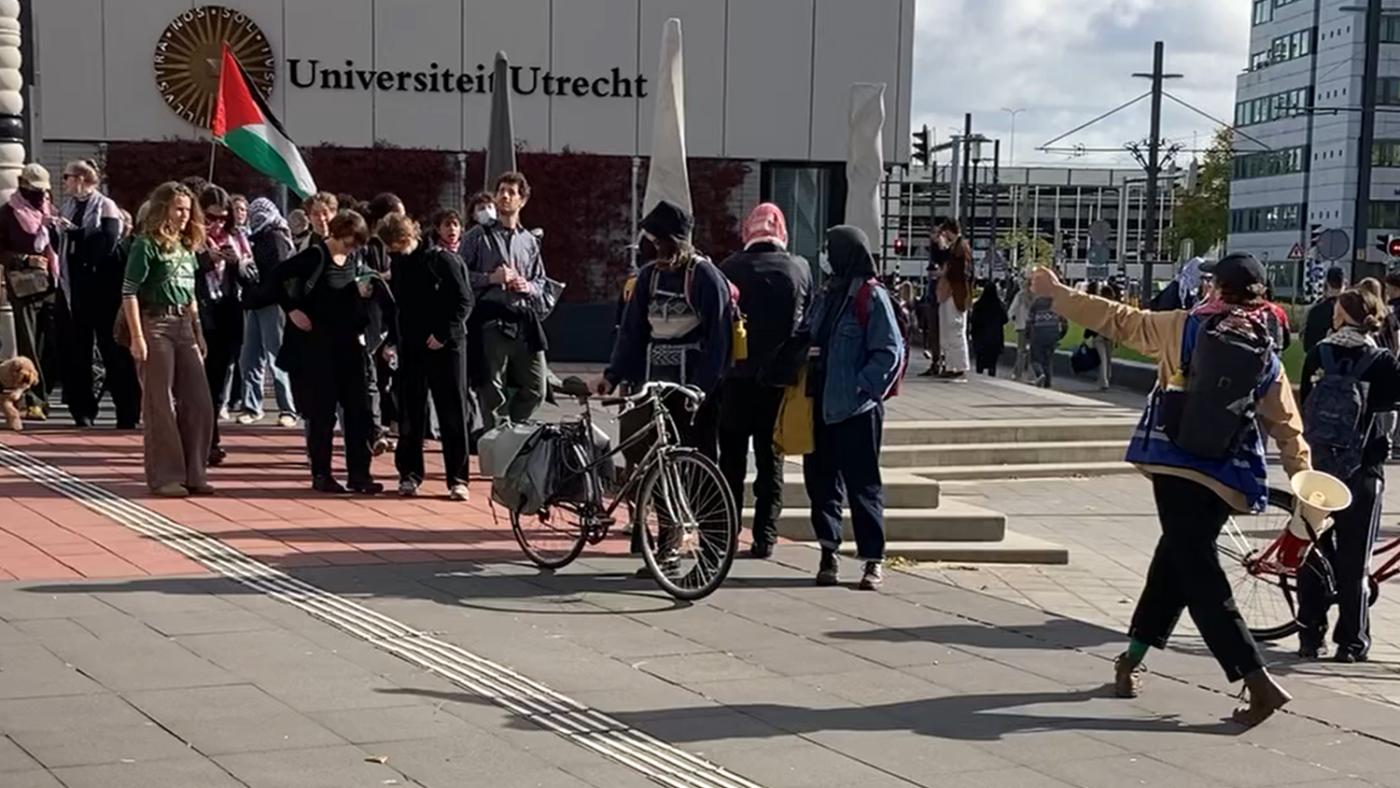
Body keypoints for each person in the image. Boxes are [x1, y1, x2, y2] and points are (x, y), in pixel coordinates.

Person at [1027, 253, 1308, 727]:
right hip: (1226, 477)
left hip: (1174, 465)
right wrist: (1305, 491)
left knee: (1198, 574)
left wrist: (1058, 293)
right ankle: (1130, 661)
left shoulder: (1182, 325)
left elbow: (1117, 319)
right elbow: (1287, 425)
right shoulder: (1266, 345)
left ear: (1215, 287)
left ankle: (1256, 681)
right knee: (1175, 562)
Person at [803, 226, 903, 590]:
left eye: (830, 249)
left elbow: (890, 351)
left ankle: (872, 560)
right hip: (820, 403)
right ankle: (828, 553)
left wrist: (864, 387)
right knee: (822, 483)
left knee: (863, 486)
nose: (825, 255)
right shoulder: (826, 294)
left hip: (857, 408)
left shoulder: (870, 296)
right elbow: (807, 333)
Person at [717, 203, 812, 559]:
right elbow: (806, 324)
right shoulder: (799, 268)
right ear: (782, 231)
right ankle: (765, 536)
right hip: (779, 383)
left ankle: (724, 531)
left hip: (736, 378)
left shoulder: (729, 268)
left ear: (748, 230)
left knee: (732, 460)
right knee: (771, 461)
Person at [274, 210, 382, 495]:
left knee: (358, 410)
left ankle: (360, 474)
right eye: (349, 242)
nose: (353, 248)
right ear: (336, 234)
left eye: (357, 244)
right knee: (322, 414)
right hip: (318, 347)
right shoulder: (314, 257)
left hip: (349, 345)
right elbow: (276, 277)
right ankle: (321, 473)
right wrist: (292, 310)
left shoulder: (354, 259)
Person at [120, 181, 215, 498]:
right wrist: (136, 336)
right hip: (155, 323)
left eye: (188, 209)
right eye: (178, 208)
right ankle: (165, 476)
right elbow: (129, 292)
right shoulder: (145, 245)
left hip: (184, 325)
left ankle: (195, 471)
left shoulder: (188, 247)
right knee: (159, 403)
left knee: (199, 402)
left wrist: (198, 331)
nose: (184, 215)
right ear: (163, 209)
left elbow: (191, 297)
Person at [379, 214, 473, 500]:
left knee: (452, 411)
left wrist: (443, 333)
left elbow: (464, 300)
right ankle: (409, 474)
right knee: (410, 411)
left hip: (447, 346)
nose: (394, 252)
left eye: (396, 245)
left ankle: (458, 478)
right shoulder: (399, 263)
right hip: (412, 345)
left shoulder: (440, 260)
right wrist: (393, 340)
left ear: (408, 238)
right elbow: (400, 309)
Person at [462, 172, 551, 428]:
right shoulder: (477, 236)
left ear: (522, 200)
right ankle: (496, 443)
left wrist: (528, 286)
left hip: (523, 320)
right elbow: (459, 276)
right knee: (491, 388)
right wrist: (490, 278)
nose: (504, 196)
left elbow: (541, 281)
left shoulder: (529, 241)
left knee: (537, 388)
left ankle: (511, 428)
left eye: (511, 192)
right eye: (501, 190)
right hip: (491, 320)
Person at [57, 159, 130, 428]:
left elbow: (107, 244)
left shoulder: (105, 206)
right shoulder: (68, 206)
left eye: (67, 177)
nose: (64, 182)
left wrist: (76, 235)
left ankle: (126, 410)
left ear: (81, 179)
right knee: (77, 351)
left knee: (112, 350)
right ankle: (82, 409)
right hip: (72, 287)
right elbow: (61, 244)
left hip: (102, 289)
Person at [0, 163, 61, 419]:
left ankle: (43, 393)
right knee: (29, 343)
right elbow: (1, 250)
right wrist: (25, 259)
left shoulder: (48, 211)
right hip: (23, 285)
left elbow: (55, 245)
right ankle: (35, 399)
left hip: (50, 283)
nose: (42, 196)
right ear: (23, 187)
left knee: (51, 341)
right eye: (36, 191)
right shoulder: (7, 213)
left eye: (44, 191)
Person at [236, 198, 298, 428]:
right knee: (250, 357)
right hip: (255, 303)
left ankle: (288, 408)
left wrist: (258, 285)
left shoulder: (276, 237)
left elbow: (279, 274)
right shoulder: (253, 238)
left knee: (276, 356)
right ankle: (251, 406)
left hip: (272, 303)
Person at [360, 192, 405, 453]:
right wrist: (382, 276)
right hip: (371, 319)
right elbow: (364, 275)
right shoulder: (367, 244)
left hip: (392, 319)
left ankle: (391, 424)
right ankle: (375, 430)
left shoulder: (397, 245)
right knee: (371, 378)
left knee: (390, 377)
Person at [933, 220, 971, 381]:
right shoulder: (957, 247)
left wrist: (944, 273)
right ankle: (951, 365)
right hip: (952, 292)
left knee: (954, 330)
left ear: (949, 231)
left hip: (955, 293)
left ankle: (959, 366)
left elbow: (959, 270)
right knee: (948, 330)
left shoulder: (960, 248)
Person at [1303, 266, 1347, 354]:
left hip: (1321, 360)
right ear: (1344, 284)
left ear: (1326, 284)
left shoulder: (1315, 311)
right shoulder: (1351, 310)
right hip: (1346, 363)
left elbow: (1307, 345)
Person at [969, 279, 1008, 376]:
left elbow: (973, 319)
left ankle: (979, 374)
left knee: (980, 360)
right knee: (992, 361)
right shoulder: (999, 305)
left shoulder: (978, 305)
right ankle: (991, 373)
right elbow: (1005, 319)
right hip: (995, 337)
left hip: (980, 337)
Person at [1027, 289, 1064, 388]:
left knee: (1035, 358)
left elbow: (1030, 320)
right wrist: (1060, 335)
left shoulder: (1036, 302)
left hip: (1038, 334)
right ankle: (1048, 383)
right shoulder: (1057, 303)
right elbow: (1064, 322)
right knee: (1048, 360)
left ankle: (1040, 374)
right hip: (1052, 334)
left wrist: (1028, 334)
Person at [1088, 281, 1120, 391]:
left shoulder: (1099, 305)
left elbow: (1092, 321)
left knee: (1102, 359)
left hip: (1099, 335)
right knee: (1107, 359)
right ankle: (1106, 379)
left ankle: (1104, 381)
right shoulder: (1115, 307)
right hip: (1110, 335)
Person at [1007, 274, 1033, 381]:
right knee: (1032, 351)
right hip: (1032, 326)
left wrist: (1009, 319)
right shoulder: (1035, 296)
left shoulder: (1020, 296)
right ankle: (1031, 375)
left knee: (1021, 351)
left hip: (1022, 326)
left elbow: (1012, 309)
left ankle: (1017, 373)